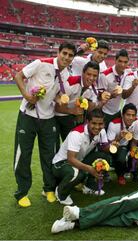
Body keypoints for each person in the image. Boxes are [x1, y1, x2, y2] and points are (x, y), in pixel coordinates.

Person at [13, 42, 76, 207]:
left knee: (50, 156)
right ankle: (22, 192)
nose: (66, 57)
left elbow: (54, 96)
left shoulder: (65, 76)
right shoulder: (41, 63)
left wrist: (61, 100)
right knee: (23, 154)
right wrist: (27, 96)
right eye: (65, 53)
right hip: (28, 115)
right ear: (58, 52)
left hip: (48, 118)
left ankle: (49, 189)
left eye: (70, 55)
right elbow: (18, 76)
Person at [52, 109, 111, 205]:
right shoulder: (77, 133)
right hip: (61, 163)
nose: (97, 127)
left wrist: (117, 141)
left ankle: (89, 186)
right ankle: (61, 192)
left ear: (104, 123)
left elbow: (105, 148)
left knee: (104, 159)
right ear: (87, 122)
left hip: (79, 160)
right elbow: (70, 159)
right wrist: (89, 169)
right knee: (78, 174)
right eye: (94, 123)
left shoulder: (102, 131)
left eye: (100, 124)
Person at [55, 61, 103, 142]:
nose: (91, 78)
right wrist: (73, 111)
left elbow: (90, 109)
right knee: (54, 147)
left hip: (70, 117)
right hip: (56, 116)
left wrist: (102, 102)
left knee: (73, 144)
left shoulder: (92, 89)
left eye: (95, 76)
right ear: (83, 73)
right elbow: (56, 108)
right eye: (89, 74)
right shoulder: (70, 84)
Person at [98, 49, 132, 127]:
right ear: (115, 60)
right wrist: (110, 96)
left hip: (117, 111)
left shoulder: (128, 73)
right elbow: (99, 97)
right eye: (120, 61)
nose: (123, 64)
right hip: (105, 112)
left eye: (125, 62)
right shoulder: (105, 75)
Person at [107, 103, 138, 185]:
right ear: (122, 115)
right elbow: (108, 144)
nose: (131, 118)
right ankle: (120, 175)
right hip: (119, 146)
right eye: (128, 115)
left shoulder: (136, 123)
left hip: (131, 143)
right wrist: (119, 137)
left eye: (133, 115)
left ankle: (134, 171)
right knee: (121, 158)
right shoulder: (114, 124)